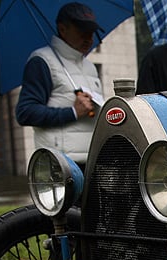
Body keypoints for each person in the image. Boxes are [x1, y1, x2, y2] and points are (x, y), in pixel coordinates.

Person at [16, 2, 103, 168]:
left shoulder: (89, 67)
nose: (89, 37)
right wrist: (73, 112)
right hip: (61, 166)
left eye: (91, 31)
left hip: (92, 163)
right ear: (62, 29)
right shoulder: (42, 61)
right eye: (82, 30)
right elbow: (25, 112)